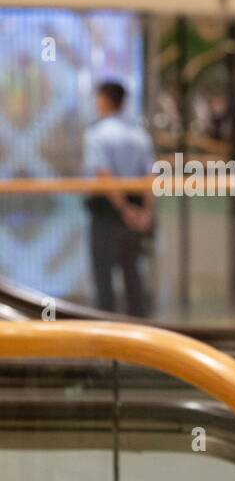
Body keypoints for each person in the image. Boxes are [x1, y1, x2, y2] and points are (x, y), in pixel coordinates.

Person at [82, 80, 155, 316]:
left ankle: (107, 340)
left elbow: (105, 176)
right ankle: (139, 334)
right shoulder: (139, 135)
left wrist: (123, 209)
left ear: (103, 100)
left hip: (107, 212)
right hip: (135, 210)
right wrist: (144, 213)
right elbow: (149, 178)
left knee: (104, 278)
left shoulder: (97, 134)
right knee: (133, 275)